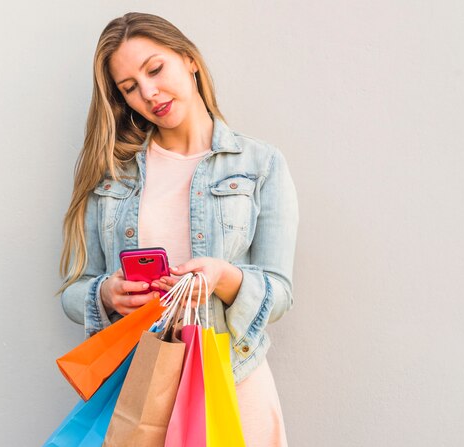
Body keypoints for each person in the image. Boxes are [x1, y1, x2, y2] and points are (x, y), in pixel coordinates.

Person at [58, 12, 298, 446]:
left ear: (189, 60)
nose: (149, 93)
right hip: (141, 385)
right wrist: (106, 294)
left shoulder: (260, 165)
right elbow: (75, 290)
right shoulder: (113, 176)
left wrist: (224, 277)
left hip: (234, 382)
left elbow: (279, 292)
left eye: (155, 69)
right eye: (130, 87)